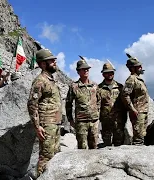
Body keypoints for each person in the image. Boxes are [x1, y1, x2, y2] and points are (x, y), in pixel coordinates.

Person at [27, 49, 62, 177]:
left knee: (56, 155)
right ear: (42, 64)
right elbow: (32, 104)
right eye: (51, 61)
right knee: (46, 157)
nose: (54, 62)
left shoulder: (50, 80)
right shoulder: (40, 81)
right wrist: (37, 126)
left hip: (55, 124)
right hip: (47, 125)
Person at [65, 59, 100, 149]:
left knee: (94, 147)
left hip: (94, 121)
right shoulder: (74, 86)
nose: (86, 71)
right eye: (83, 69)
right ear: (78, 72)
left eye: (87, 69)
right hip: (81, 122)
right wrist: (70, 120)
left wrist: (97, 113)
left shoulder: (95, 86)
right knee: (82, 148)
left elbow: (99, 100)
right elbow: (68, 103)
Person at [121, 53, 149, 145]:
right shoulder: (131, 79)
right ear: (133, 68)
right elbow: (125, 95)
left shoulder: (138, 79)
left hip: (143, 111)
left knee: (142, 135)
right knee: (138, 138)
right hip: (137, 112)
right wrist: (132, 109)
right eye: (138, 66)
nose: (141, 67)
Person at [98, 62, 127, 146]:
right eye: (107, 73)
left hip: (119, 121)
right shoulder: (99, 88)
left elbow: (125, 103)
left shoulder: (120, 87)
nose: (110, 74)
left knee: (119, 144)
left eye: (111, 72)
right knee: (106, 145)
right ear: (103, 74)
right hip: (105, 121)